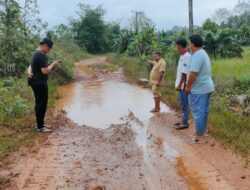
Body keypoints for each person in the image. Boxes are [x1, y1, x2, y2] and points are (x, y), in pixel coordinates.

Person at [185, 35, 214, 143]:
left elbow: (193, 73)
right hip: (206, 87)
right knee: (203, 111)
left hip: (200, 89)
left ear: (192, 44)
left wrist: (188, 86)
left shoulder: (197, 55)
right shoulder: (203, 53)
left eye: (189, 43)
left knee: (198, 112)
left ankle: (199, 136)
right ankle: (201, 132)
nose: (189, 45)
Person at [28, 38, 60, 132]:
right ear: (45, 45)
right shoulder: (41, 55)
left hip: (35, 82)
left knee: (40, 103)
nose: (49, 51)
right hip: (40, 82)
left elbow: (30, 66)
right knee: (41, 104)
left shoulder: (35, 53)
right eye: (49, 48)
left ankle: (40, 125)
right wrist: (53, 64)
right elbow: (45, 71)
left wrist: (29, 72)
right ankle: (40, 127)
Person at [175, 38, 191, 130]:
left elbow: (184, 73)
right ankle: (183, 120)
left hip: (183, 86)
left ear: (180, 46)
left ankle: (185, 123)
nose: (176, 47)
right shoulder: (182, 55)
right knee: (182, 103)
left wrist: (180, 85)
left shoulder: (186, 56)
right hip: (180, 85)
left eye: (177, 45)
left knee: (184, 104)